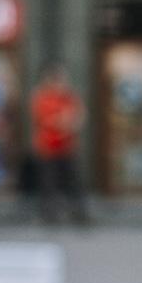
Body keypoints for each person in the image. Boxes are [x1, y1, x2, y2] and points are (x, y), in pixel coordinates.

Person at [30, 63, 90, 225]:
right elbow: (48, 121)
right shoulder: (42, 97)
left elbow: (79, 116)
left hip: (68, 147)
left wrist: (69, 121)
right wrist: (65, 121)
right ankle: (49, 215)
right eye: (59, 80)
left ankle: (79, 213)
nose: (63, 83)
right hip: (47, 148)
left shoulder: (70, 98)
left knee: (74, 182)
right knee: (49, 183)